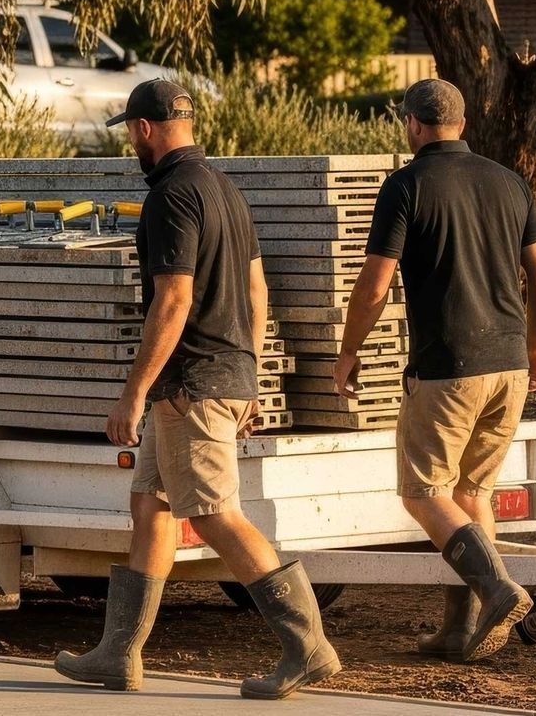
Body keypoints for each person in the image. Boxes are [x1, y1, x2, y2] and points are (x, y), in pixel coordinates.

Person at [56, 78, 341, 700]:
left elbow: (174, 298)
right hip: (218, 376)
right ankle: (119, 653)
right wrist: (251, 374)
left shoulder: (170, 197)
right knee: (150, 502)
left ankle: (307, 645)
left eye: (130, 133)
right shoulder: (225, 191)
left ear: (143, 129)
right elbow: (258, 290)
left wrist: (134, 392)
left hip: (191, 384)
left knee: (214, 513)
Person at [332, 78, 536, 663]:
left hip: (446, 369)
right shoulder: (509, 181)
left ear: (412, 124)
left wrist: (349, 350)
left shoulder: (405, 186)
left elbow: (375, 283)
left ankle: (495, 588)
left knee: (423, 493)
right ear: (462, 123)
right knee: (470, 491)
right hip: (508, 365)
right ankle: (459, 629)